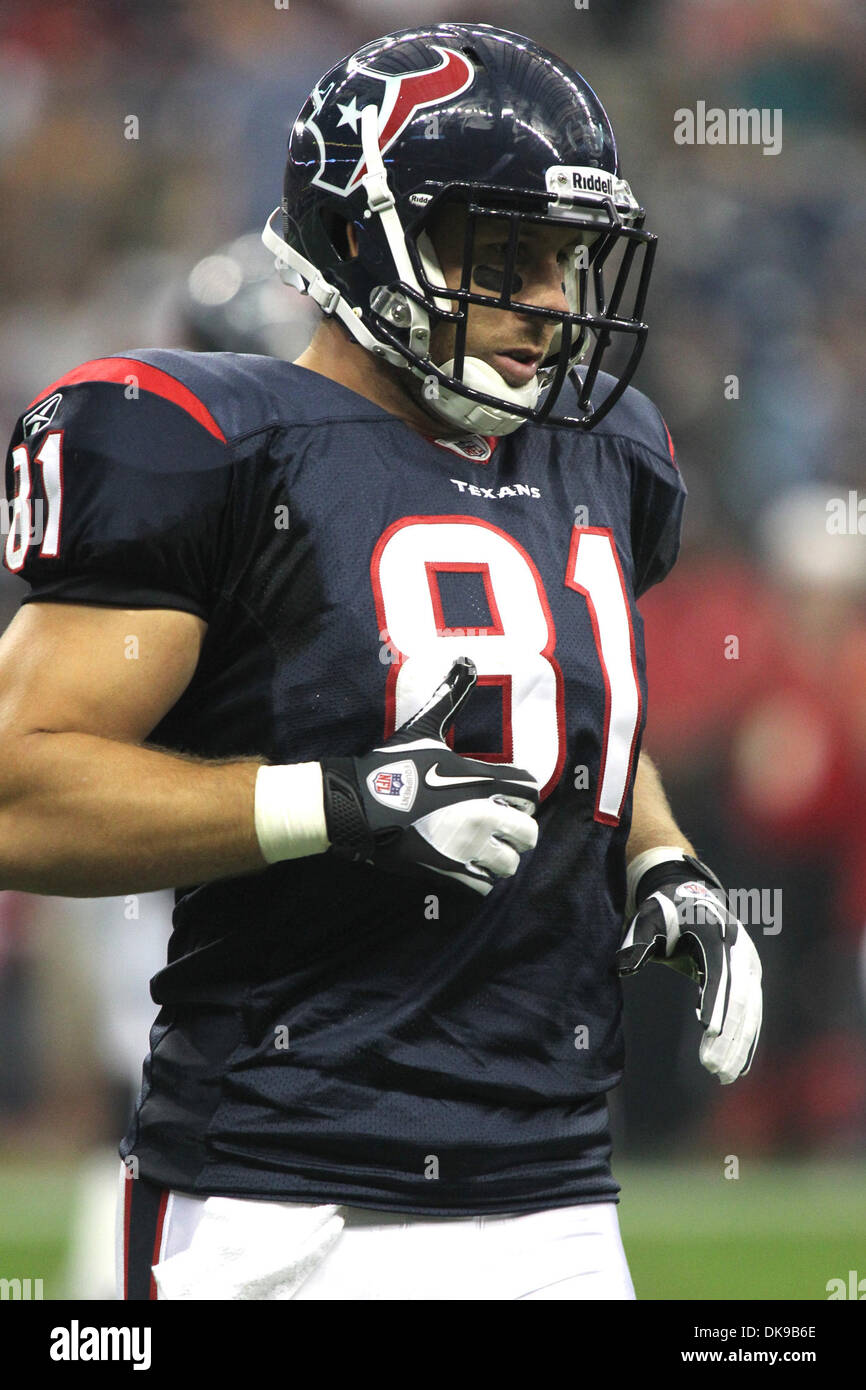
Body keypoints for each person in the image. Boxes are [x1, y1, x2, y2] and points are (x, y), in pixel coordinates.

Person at [0, 22, 761, 1301]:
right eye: (504, 255)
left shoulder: (601, 450)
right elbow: (17, 789)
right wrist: (337, 801)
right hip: (280, 1198)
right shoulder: (217, 449)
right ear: (363, 236)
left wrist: (656, 853)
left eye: (566, 259)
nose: (552, 303)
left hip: (556, 1190)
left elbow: (555, 709)